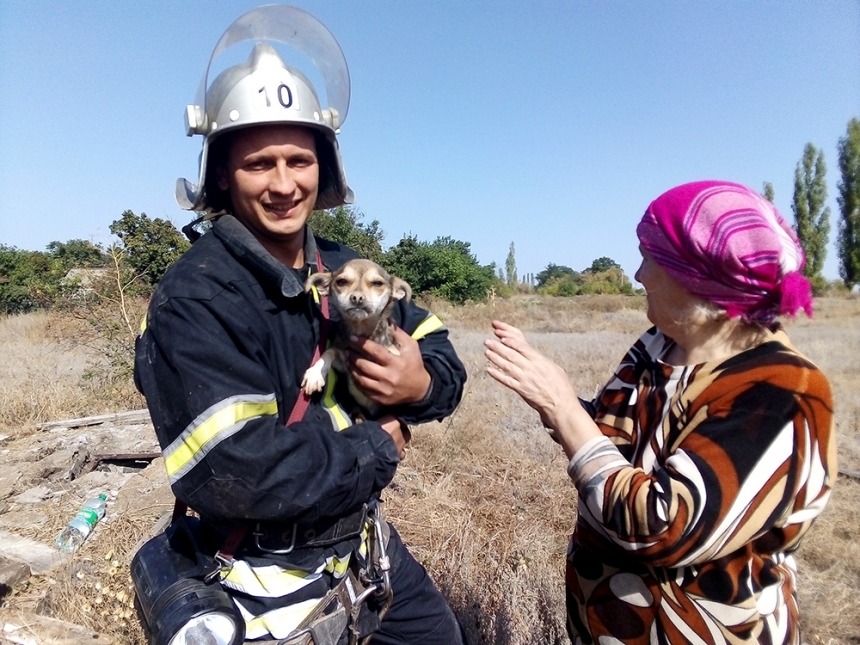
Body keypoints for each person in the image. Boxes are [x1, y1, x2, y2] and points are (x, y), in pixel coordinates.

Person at [134, 7, 466, 644]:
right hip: (262, 577)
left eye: (299, 159)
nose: (284, 184)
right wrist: (380, 442)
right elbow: (235, 471)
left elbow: (438, 347)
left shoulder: (347, 268)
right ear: (222, 177)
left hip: (365, 549)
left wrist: (421, 385)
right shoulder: (195, 297)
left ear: (325, 167)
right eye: (260, 164)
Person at [484, 180, 836, 645]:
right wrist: (549, 396)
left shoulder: (780, 392)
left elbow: (663, 526)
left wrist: (562, 406)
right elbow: (608, 440)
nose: (637, 274)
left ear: (696, 279)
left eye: (650, 256)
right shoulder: (658, 348)